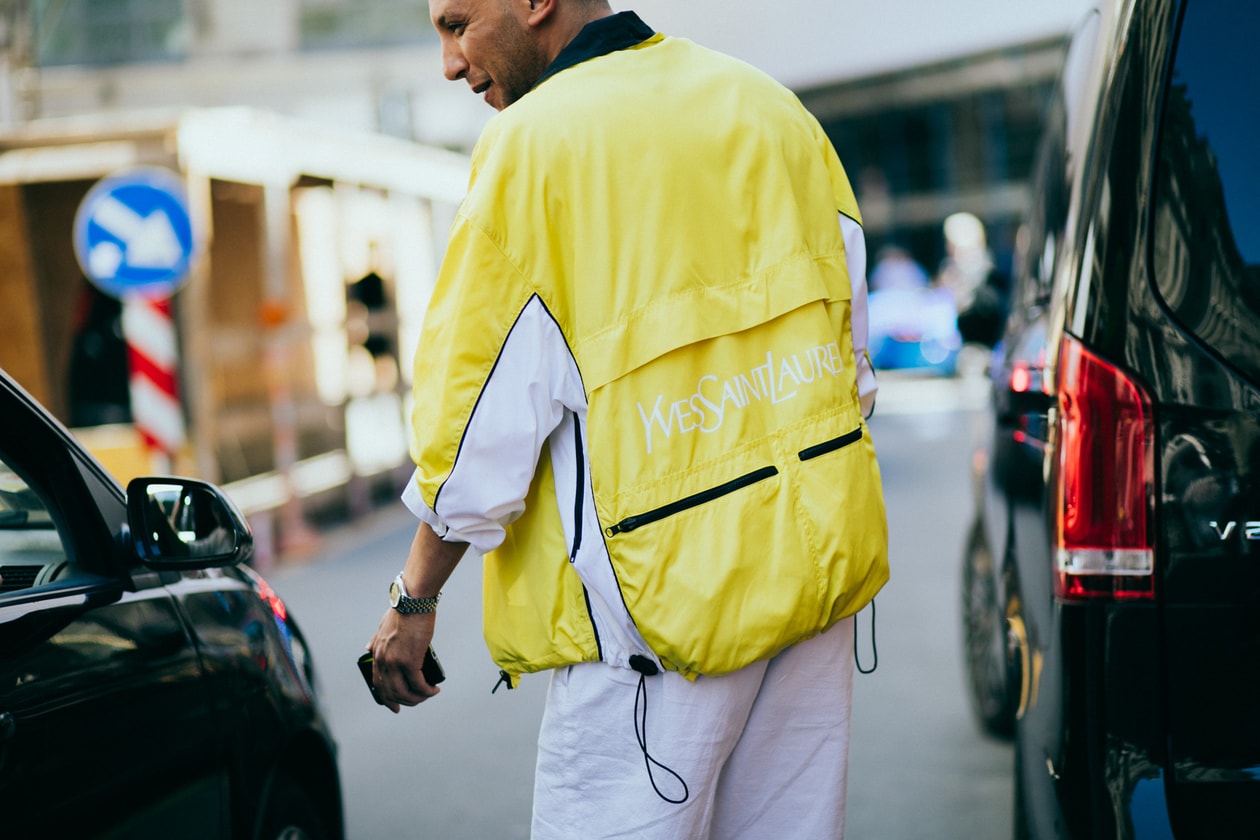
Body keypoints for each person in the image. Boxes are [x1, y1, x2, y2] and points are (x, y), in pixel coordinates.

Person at [366, 2, 889, 837]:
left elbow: (474, 433)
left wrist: (414, 598)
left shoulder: (531, 148)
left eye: (456, 23)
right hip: (814, 599)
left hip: (657, 638)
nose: (450, 64)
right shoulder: (769, 106)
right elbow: (849, 362)